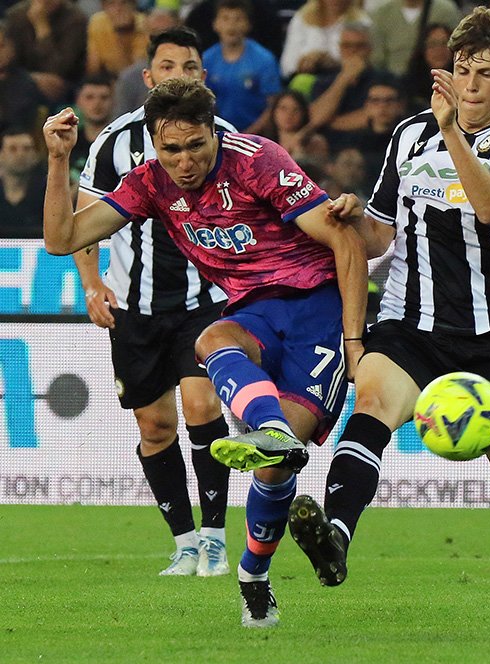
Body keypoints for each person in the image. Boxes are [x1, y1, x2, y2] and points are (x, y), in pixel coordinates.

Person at [257, 6, 490, 627]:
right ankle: (336, 537)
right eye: (461, 70)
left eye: (485, 73)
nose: (471, 84)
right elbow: (381, 235)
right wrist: (348, 217)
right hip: (410, 326)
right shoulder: (407, 136)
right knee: (371, 403)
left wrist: (452, 132)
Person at [44, 77, 368, 627]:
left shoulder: (257, 160)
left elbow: (343, 238)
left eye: (197, 145)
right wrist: (59, 162)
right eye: (172, 149)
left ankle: (252, 573)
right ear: (154, 143)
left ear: (214, 133)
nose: (185, 160)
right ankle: (274, 437)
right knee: (212, 340)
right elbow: (61, 239)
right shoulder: (149, 183)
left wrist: (355, 341)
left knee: (270, 476)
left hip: (317, 311)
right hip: (253, 309)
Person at [71, 27, 239, 579]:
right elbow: (82, 223)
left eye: (190, 67)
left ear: (203, 78)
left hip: (206, 300)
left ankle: (215, 537)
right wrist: (92, 284)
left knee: (202, 408)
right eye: (168, 67)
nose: (179, 76)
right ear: (148, 79)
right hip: (136, 307)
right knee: (156, 428)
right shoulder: (113, 144)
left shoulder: (227, 138)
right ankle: (185, 542)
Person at [202, 0, 282, 133]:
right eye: (225, 19)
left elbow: (272, 106)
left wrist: (245, 137)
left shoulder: (264, 60)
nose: (231, 25)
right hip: (218, 134)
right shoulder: (206, 60)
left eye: (238, 19)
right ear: (215, 24)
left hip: (257, 136)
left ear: (248, 24)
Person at [0, 128, 46, 238]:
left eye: (27, 149)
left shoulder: (49, 192)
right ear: (1, 155)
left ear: (36, 155)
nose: (20, 154)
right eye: (13, 149)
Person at [85, 0, 147, 78]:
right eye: (111, 4)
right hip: (107, 78)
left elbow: (136, 72)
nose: (118, 9)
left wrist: (124, 33)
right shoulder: (97, 22)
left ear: (133, 6)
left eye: (124, 3)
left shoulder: (143, 24)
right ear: (104, 7)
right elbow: (93, 68)